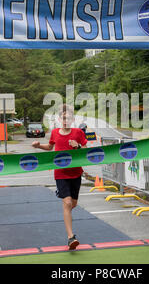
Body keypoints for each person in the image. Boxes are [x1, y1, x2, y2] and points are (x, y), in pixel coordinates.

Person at [31, 104, 87, 250]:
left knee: (73, 204)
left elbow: (87, 151)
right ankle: (70, 237)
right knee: (67, 203)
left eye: (68, 118)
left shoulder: (78, 133)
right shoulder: (55, 133)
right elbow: (50, 147)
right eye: (63, 118)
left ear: (73, 119)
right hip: (60, 173)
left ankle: (65, 208)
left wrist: (78, 146)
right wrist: (38, 146)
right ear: (59, 119)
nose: (66, 120)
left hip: (76, 173)